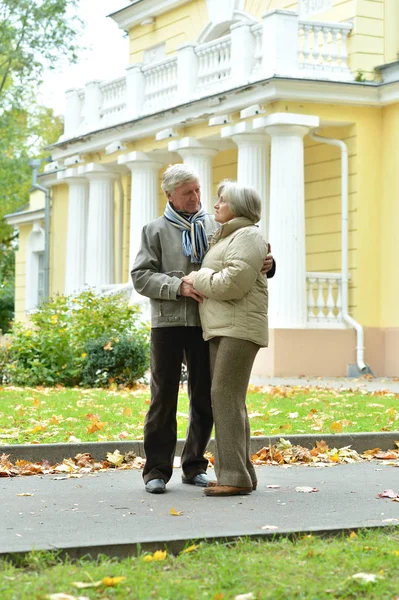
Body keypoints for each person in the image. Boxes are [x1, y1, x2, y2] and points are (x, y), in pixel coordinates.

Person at [131, 165, 274, 494]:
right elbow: (140, 276)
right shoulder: (154, 230)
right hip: (167, 323)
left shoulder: (217, 224)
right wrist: (177, 287)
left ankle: (194, 464)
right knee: (163, 398)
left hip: (206, 324)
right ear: (170, 196)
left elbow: (244, 256)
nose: (197, 198)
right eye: (188, 193)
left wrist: (269, 262)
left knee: (207, 399)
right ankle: (156, 470)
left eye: (198, 190)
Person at [182, 181, 268, 497]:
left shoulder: (248, 236)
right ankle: (242, 473)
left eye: (223, 200)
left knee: (224, 396)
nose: (216, 204)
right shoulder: (230, 236)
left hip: (238, 328)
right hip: (224, 327)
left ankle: (234, 476)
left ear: (239, 207)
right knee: (230, 399)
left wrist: (196, 279)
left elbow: (233, 283)